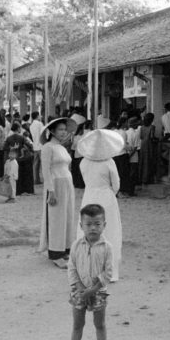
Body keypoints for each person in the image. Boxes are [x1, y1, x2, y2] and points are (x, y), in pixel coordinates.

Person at [66, 204, 112, 340]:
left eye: (97, 224)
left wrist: (92, 290)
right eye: (88, 224)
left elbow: (108, 273)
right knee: (77, 325)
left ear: (104, 225)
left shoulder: (107, 248)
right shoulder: (76, 246)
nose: (93, 228)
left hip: (99, 293)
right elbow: (71, 267)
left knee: (100, 324)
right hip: (78, 291)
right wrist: (79, 288)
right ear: (81, 226)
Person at [77, 129, 124, 281]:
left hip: (89, 195)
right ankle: (109, 272)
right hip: (106, 197)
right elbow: (116, 184)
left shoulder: (84, 162)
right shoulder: (109, 162)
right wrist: (110, 191)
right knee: (109, 232)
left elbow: (85, 180)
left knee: (87, 231)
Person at [38, 117, 78, 269]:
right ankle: (55, 253)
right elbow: (46, 171)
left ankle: (65, 248)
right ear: (52, 131)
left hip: (67, 183)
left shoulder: (62, 147)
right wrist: (51, 191)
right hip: (56, 184)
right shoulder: (48, 147)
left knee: (67, 217)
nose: (63, 132)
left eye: (64, 129)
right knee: (56, 218)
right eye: (60, 129)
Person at [3, 122, 35, 196]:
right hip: (22, 158)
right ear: (18, 128)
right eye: (20, 127)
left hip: (13, 158)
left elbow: (4, 148)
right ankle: (26, 190)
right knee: (24, 175)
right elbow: (29, 145)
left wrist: (11, 148)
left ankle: (16, 191)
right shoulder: (21, 137)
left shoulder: (9, 138)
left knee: (14, 176)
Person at [113, 117, 132, 197]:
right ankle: (122, 191)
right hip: (122, 155)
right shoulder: (123, 133)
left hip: (115, 155)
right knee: (123, 174)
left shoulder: (114, 131)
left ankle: (116, 191)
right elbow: (123, 145)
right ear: (124, 123)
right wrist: (130, 147)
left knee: (117, 174)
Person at [71, 117, 90, 189]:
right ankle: (79, 183)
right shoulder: (77, 137)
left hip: (80, 155)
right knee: (79, 171)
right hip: (79, 155)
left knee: (80, 170)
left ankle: (80, 183)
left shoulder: (78, 137)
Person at [139, 113, 156, 185]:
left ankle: (142, 178)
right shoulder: (152, 127)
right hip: (149, 144)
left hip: (143, 144)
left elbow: (141, 136)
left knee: (142, 161)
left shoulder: (141, 127)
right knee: (149, 161)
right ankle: (147, 179)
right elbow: (152, 137)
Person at [126, 117, 141, 194]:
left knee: (127, 174)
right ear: (134, 124)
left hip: (126, 155)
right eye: (137, 124)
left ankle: (127, 190)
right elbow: (136, 147)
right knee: (133, 174)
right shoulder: (135, 134)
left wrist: (127, 156)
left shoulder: (126, 132)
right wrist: (131, 155)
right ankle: (131, 191)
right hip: (134, 157)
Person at [29, 111, 44, 185]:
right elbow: (43, 134)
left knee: (35, 164)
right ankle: (46, 179)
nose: (40, 117)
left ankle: (36, 179)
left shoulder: (31, 125)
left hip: (35, 146)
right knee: (44, 164)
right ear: (37, 116)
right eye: (39, 115)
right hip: (41, 146)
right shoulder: (40, 124)